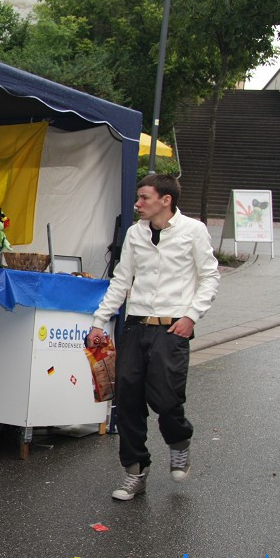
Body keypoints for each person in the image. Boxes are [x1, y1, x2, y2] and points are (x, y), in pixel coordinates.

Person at [88, 174, 219, 501]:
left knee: (166, 397)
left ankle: (179, 442)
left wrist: (191, 316)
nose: (137, 204)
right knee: (128, 399)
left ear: (166, 200)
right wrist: (99, 321)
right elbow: (121, 280)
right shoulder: (135, 233)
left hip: (173, 327)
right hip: (136, 326)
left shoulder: (193, 231)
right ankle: (135, 472)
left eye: (144, 198)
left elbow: (210, 278)